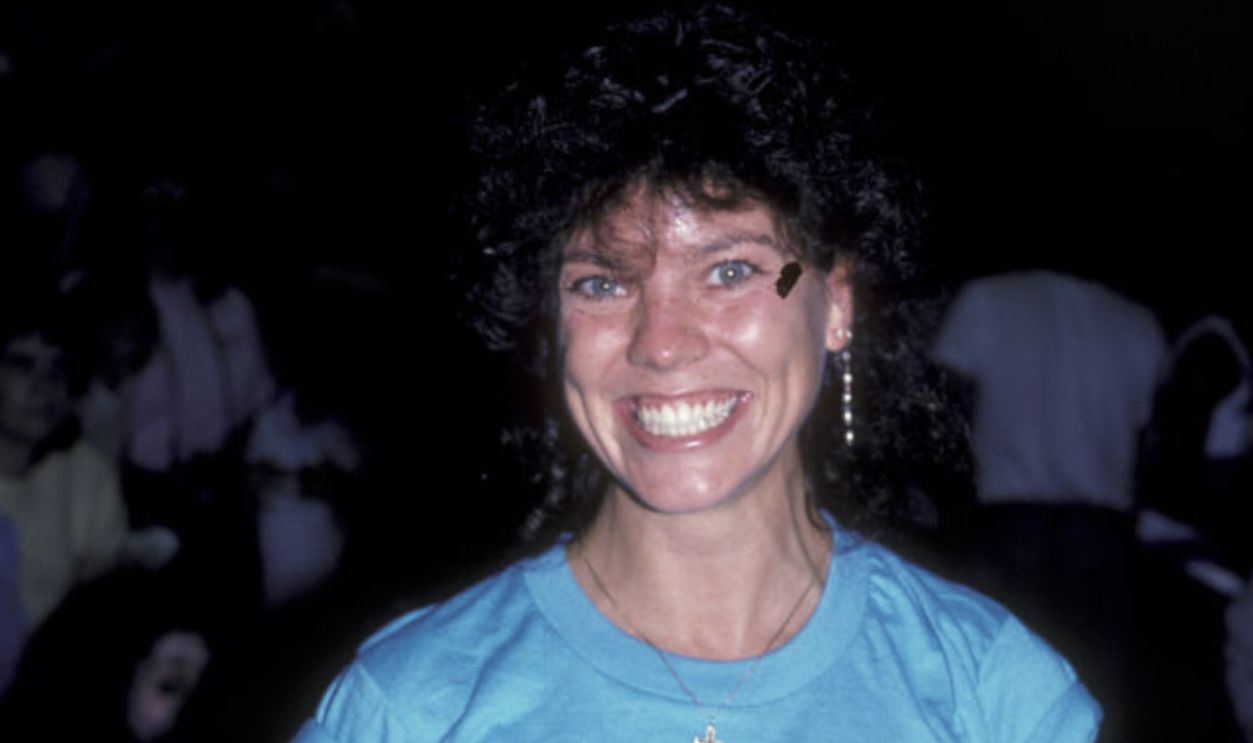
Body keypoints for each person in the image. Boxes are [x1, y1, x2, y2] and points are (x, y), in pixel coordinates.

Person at [294, 4, 1100, 741]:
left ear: (836, 300)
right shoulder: (414, 706)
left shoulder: (991, 695)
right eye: (602, 282)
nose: (663, 343)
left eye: (732, 271)